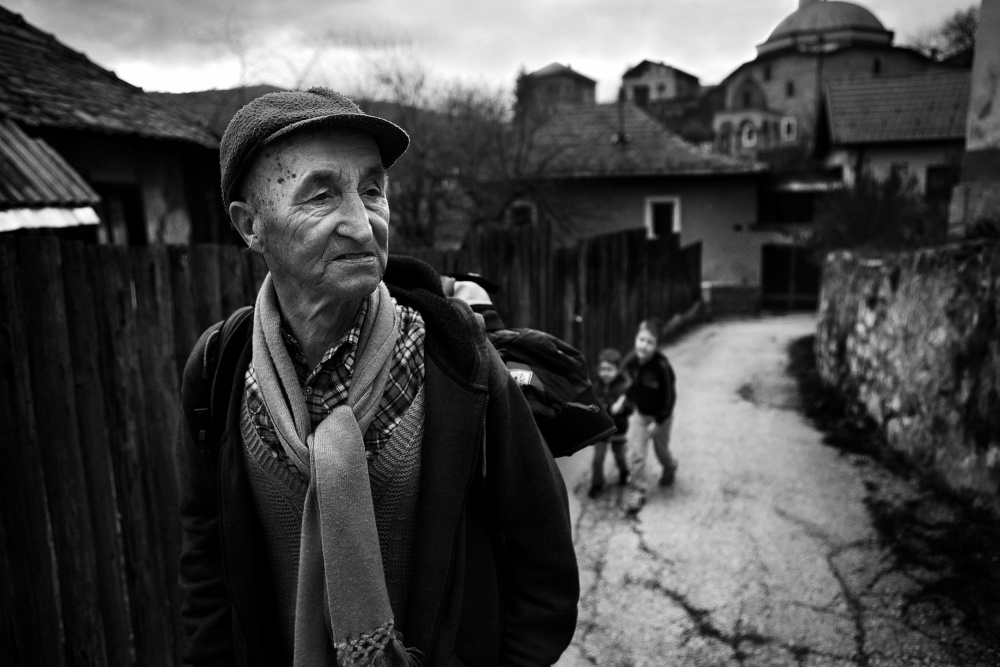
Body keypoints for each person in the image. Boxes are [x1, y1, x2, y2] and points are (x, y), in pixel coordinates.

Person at [176, 88, 579, 667]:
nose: (364, 227)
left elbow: (543, 548)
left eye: (372, 190)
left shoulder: (451, 353)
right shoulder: (220, 369)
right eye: (320, 195)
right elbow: (206, 558)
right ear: (250, 225)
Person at [620, 317, 678, 515]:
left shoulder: (662, 366)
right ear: (636, 339)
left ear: (657, 345)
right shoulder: (632, 362)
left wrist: (659, 421)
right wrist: (624, 399)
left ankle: (670, 466)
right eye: (641, 340)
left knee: (661, 451)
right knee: (636, 453)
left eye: (650, 342)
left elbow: (669, 397)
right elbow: (632, 385)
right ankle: (638, 490)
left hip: (661, 417)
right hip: (641, 415)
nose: (644, 345)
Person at [588, 348, 630, 498]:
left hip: (618, 428)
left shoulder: (624, 388)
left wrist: (623, 407)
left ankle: (624, 471)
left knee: (619, 456)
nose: (605, 373)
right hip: (602, 429)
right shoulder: (596, 387)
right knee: (598, 459)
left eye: (609, 369)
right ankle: (597, 484)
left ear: (618, 370)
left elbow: (631, 406)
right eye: (602, 369)